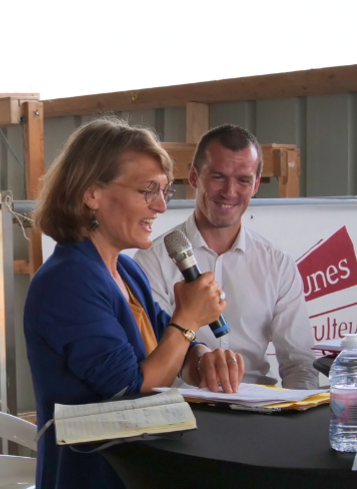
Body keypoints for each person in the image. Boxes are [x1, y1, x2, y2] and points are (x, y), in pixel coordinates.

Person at [25, 118, 244, 489]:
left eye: (164, 191)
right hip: (95, 478)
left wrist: (203, 358)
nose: (160, 206)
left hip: (142, 470)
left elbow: (170, 346)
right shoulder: (68, 281)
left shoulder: (126, 269)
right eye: (147, 190)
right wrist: (189, 317)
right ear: (92, 193)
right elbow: (131, 389)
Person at [135, 124, 318, 389]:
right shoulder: (151, 261)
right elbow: (152, 356)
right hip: (182, 412)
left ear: (255, 185)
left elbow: (299, 363)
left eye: (243, 180)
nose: (230, 192)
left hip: (259, 414)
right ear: (195, 177)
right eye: (218, 177)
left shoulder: (277, 264)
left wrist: (299, 416)